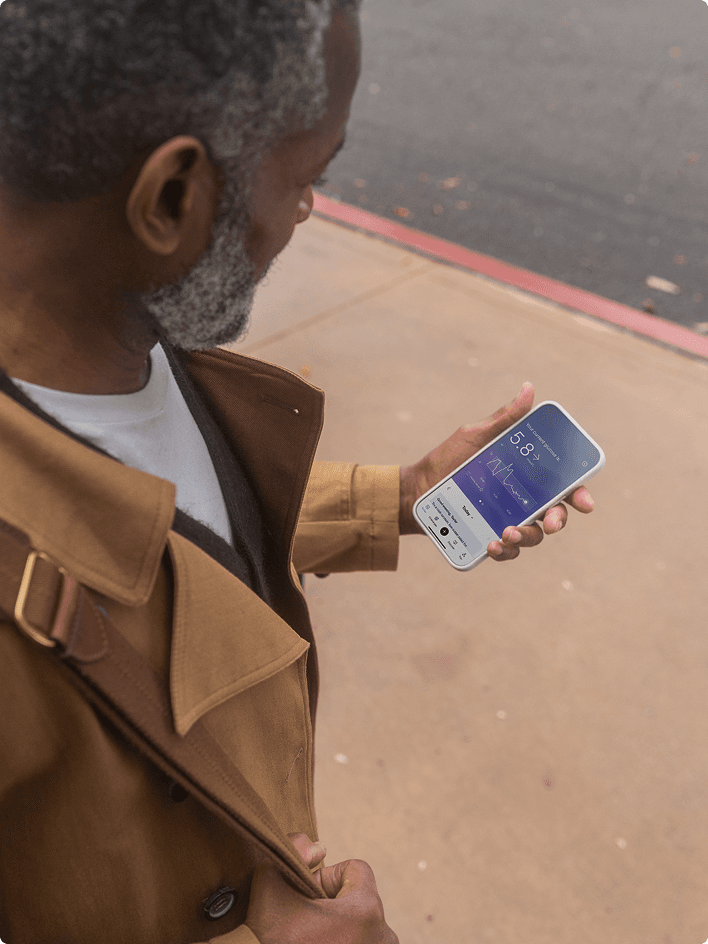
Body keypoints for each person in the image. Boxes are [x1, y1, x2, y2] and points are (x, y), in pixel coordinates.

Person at [0, 1, 595, 942]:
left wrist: (396, 500)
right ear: (170, 200)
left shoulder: (113, 330)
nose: (308, 211)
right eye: (307, 176)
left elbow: (171, 530)